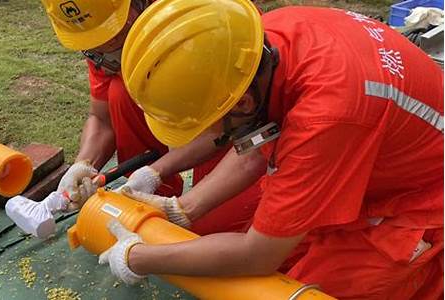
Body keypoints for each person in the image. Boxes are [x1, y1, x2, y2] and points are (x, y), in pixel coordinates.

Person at [99, 0, 444, 298]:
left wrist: (138, 257)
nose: (206, 134)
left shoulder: (327, 116)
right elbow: (256, 143)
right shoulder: (253, 44)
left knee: (295, 290)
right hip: (376, 168)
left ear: (243, 103)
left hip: (423, 205)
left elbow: (256, 255)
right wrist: (182, 208)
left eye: (208, 123)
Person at [39, 0, 263, 233]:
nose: (107, 45)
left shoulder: (208, 17)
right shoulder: (97, 28)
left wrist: (158, 173)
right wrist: (82, 165)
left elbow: (240, 130)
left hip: (242, 120)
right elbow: (102, 118)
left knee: (213, 232)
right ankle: (148, 199)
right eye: (95, 43)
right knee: (120, 91)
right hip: (225, 111)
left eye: (115, 35)